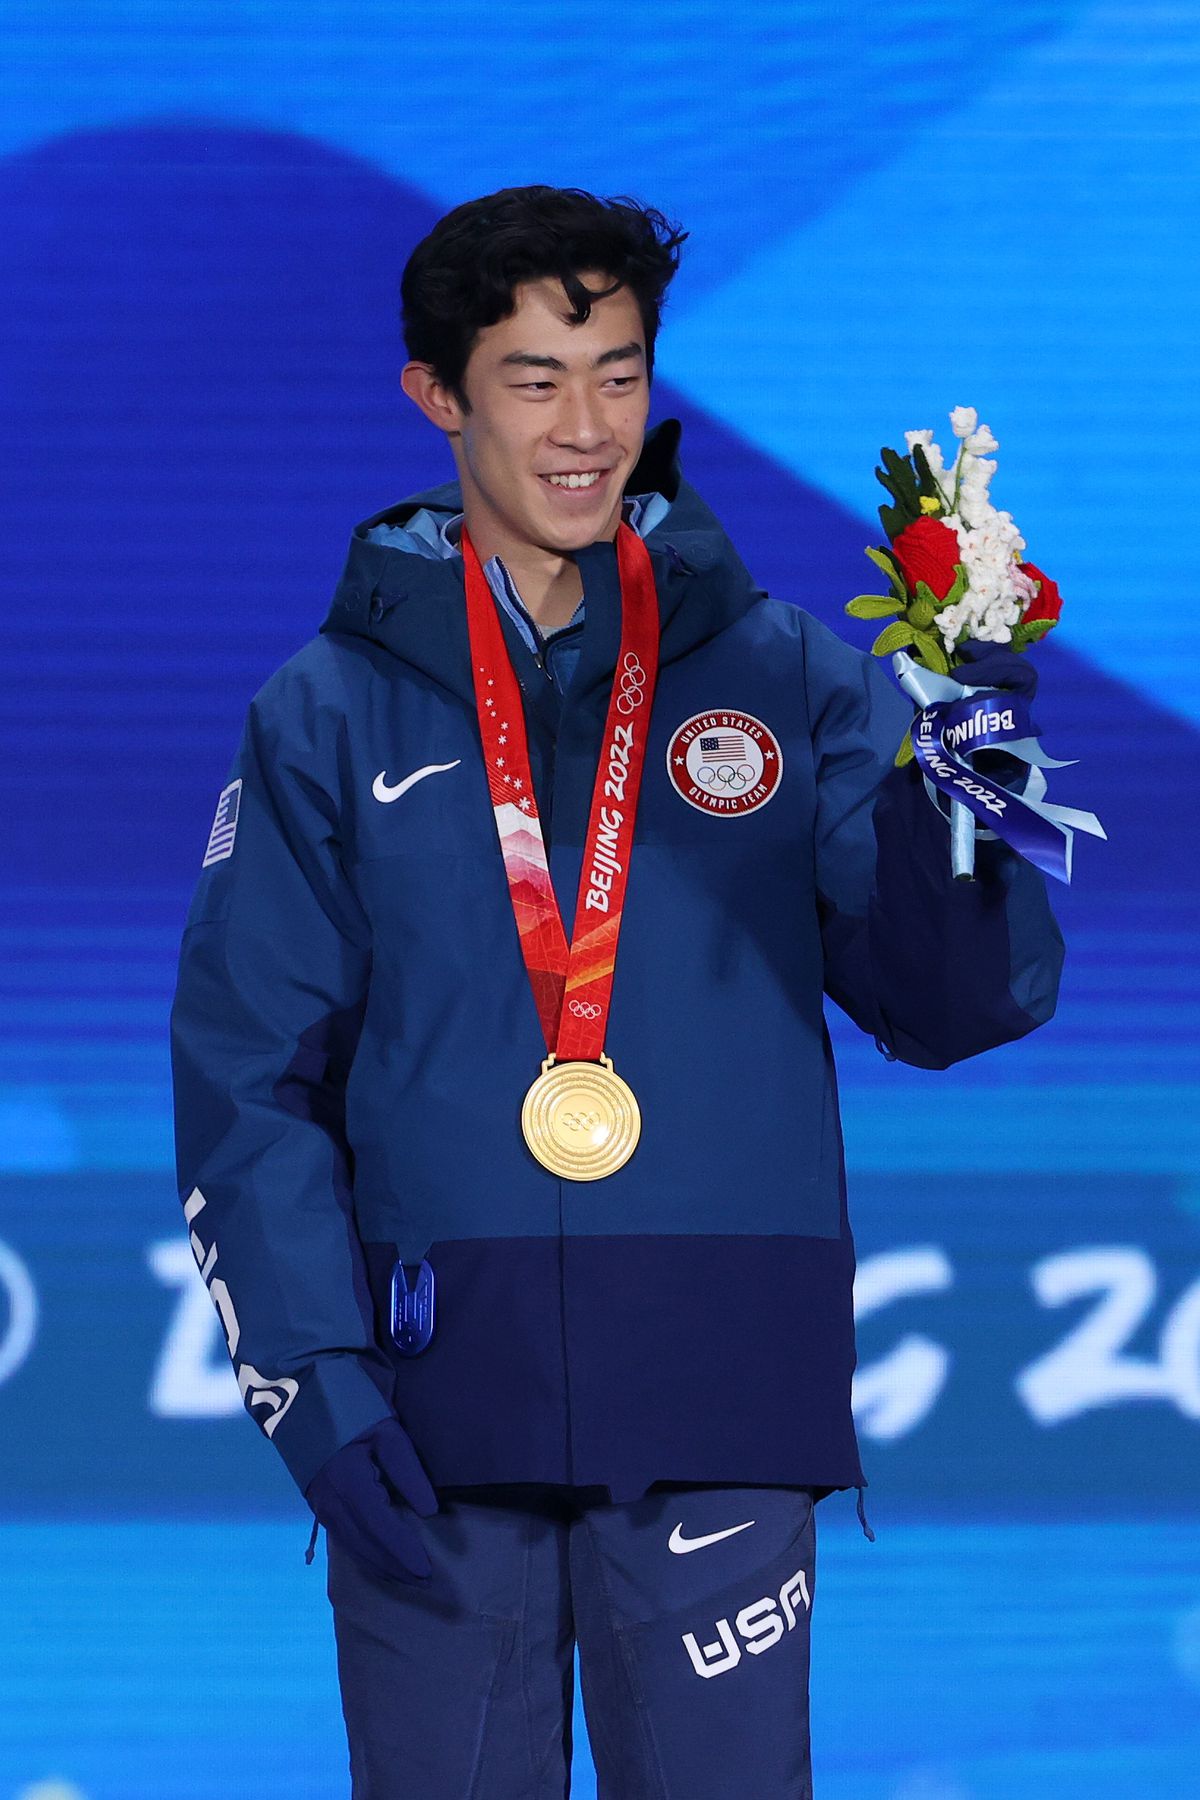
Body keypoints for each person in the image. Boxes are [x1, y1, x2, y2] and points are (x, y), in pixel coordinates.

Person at [169, 184, 1064, 1798]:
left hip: (721, 1387)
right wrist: (315, 1382)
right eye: (532, 379)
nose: (585, 429)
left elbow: (955, 1007)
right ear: (437, 397)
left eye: (620, 373)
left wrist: (971, 799)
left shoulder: (791, 676)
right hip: (431, 1417)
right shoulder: (325, 712)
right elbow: (248, 1082)